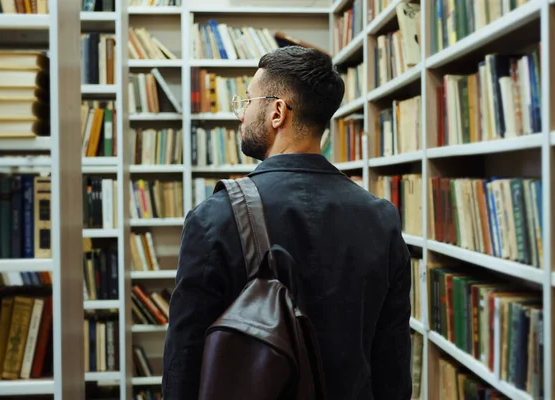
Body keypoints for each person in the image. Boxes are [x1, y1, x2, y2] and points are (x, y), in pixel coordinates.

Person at [162, 45, 412, 400]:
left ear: (277, 111)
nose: (241, 115)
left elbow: (184, 363)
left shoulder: (215, 217)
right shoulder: (381, 219)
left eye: (248, 101)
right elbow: (392, 366)